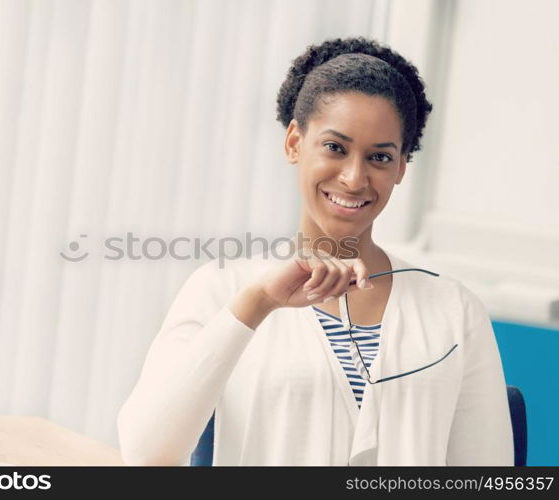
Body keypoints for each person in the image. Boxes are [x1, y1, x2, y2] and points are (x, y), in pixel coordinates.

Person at [117, 36, 513, 466]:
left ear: (401, 167)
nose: (354, 178)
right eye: (335, 148)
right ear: (294, 143)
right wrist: (258, 303)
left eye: (379, 157)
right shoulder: (224, 288)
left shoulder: (454, 310)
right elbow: (146, 454)